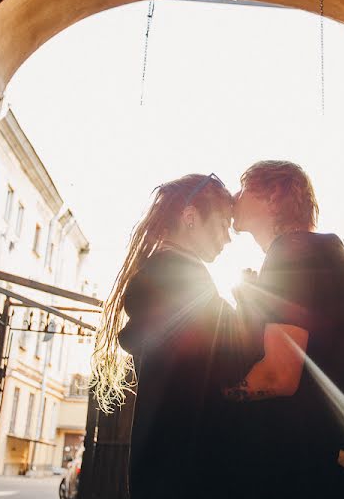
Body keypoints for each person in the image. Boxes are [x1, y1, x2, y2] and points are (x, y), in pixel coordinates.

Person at [226, 160, 344, 498]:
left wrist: (213, 399)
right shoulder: (314, 258)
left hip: (309, 469)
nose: (233, 197)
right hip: (336, 463)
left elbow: (278, 376)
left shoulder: (291, 252)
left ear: (273, 196)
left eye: (243, 188)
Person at [91, 173, 246, 499]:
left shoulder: (163, 276)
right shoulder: (183, 281)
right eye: (223, 224)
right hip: (189, 475)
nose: (228, 238)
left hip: (165, 471)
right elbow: (235, 353)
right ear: (190, 218)